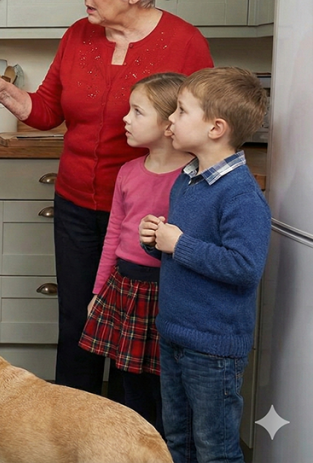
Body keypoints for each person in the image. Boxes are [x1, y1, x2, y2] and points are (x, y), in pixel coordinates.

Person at [0, 0, 213, 395]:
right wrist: (7, 92)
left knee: (141, 326)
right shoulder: (78, 36)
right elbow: (48, 110)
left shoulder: (185, 44)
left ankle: (132, 432)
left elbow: (202, 133)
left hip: (148, 211)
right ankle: (71, 425)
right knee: (77, 319)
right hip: (75, 202)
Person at [139, 67, 270, 463]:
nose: (171, 120)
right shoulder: (189, 178)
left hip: (213, 349)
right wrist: (156, 242)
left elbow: (245, 267)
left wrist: (179, 244)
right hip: (176, 335)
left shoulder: (241, 195)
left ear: (215, 128)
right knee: (177, 440)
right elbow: (181, 252)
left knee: (216, 449)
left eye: (180, 111)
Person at [78, 72, 193, 436]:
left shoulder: (191, 178)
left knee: (168, 392)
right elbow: (113, 235)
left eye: (137, 112)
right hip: (124, 289)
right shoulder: (128, 172)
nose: (125, 119)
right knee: (130, 388)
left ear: (168, 121)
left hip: (168, 292)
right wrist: (98, 292)